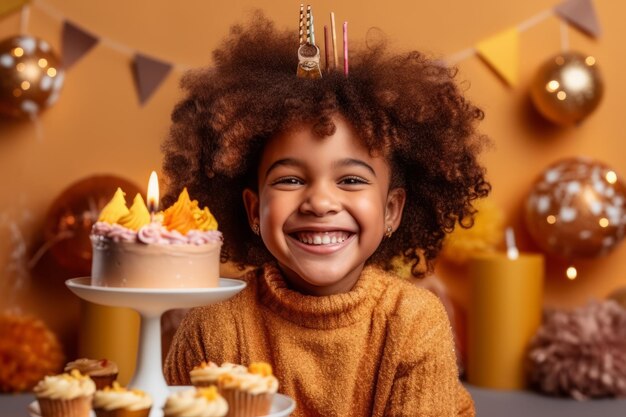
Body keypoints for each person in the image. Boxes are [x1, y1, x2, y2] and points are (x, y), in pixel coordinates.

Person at [163, 11, 489, 417]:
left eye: (351, 180)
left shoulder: (412, 322)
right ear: (252, 209)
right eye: (289, 180)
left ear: (392, 210)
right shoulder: (215, 326)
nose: (319, 202)